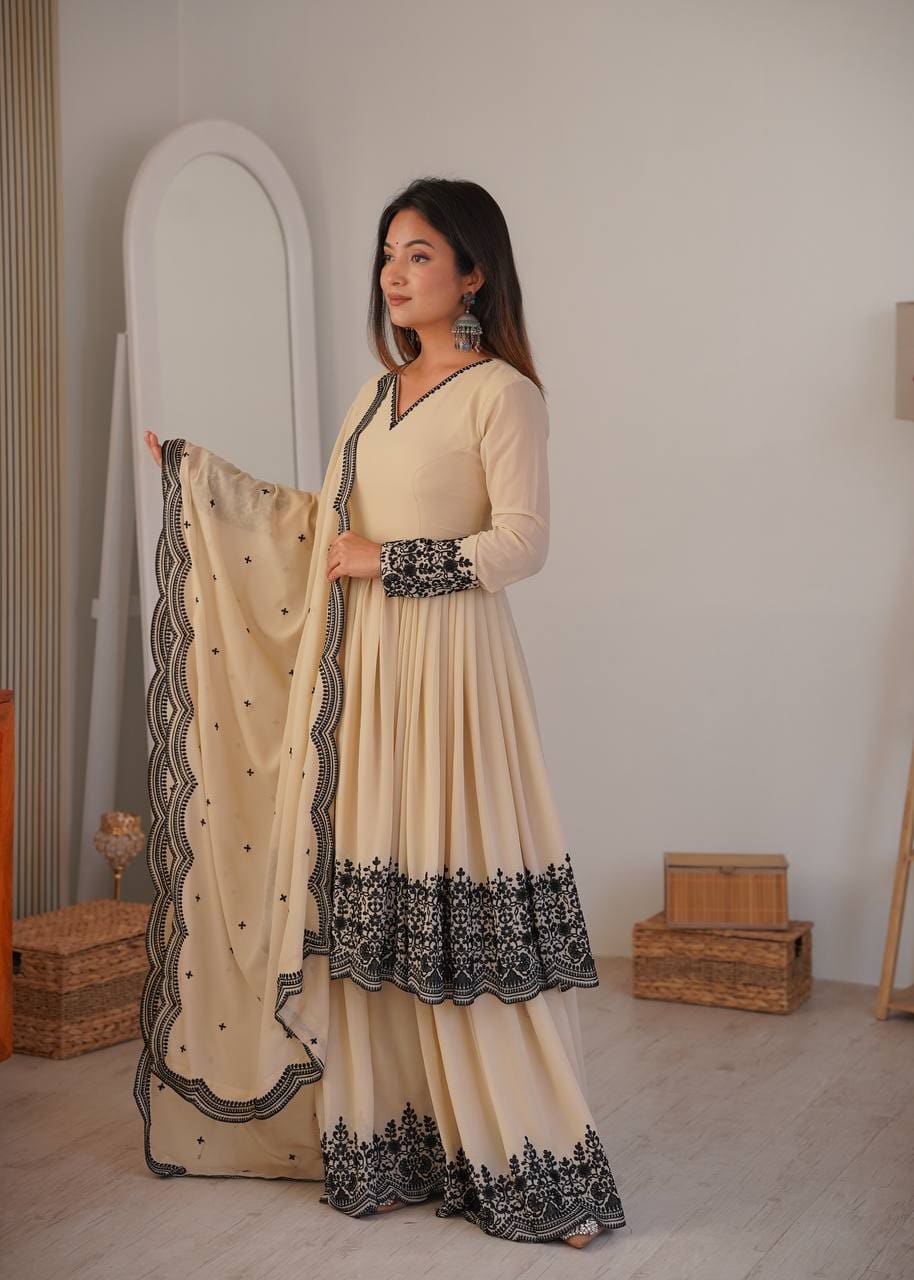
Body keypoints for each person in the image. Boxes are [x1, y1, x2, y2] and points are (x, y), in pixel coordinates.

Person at [138, 177, 626, 1248]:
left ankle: (531, 1162)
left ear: (473, 273)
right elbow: (324, 530)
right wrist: (205, 485)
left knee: (467, 899)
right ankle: (394, 1143)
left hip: (453, 674)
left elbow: (522, 542)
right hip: (364, 675)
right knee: (374, 901)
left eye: (418, 254)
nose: (393, 274)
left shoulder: (503, 394)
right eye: (387, 254)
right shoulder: (374, 394)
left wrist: (390, 561)